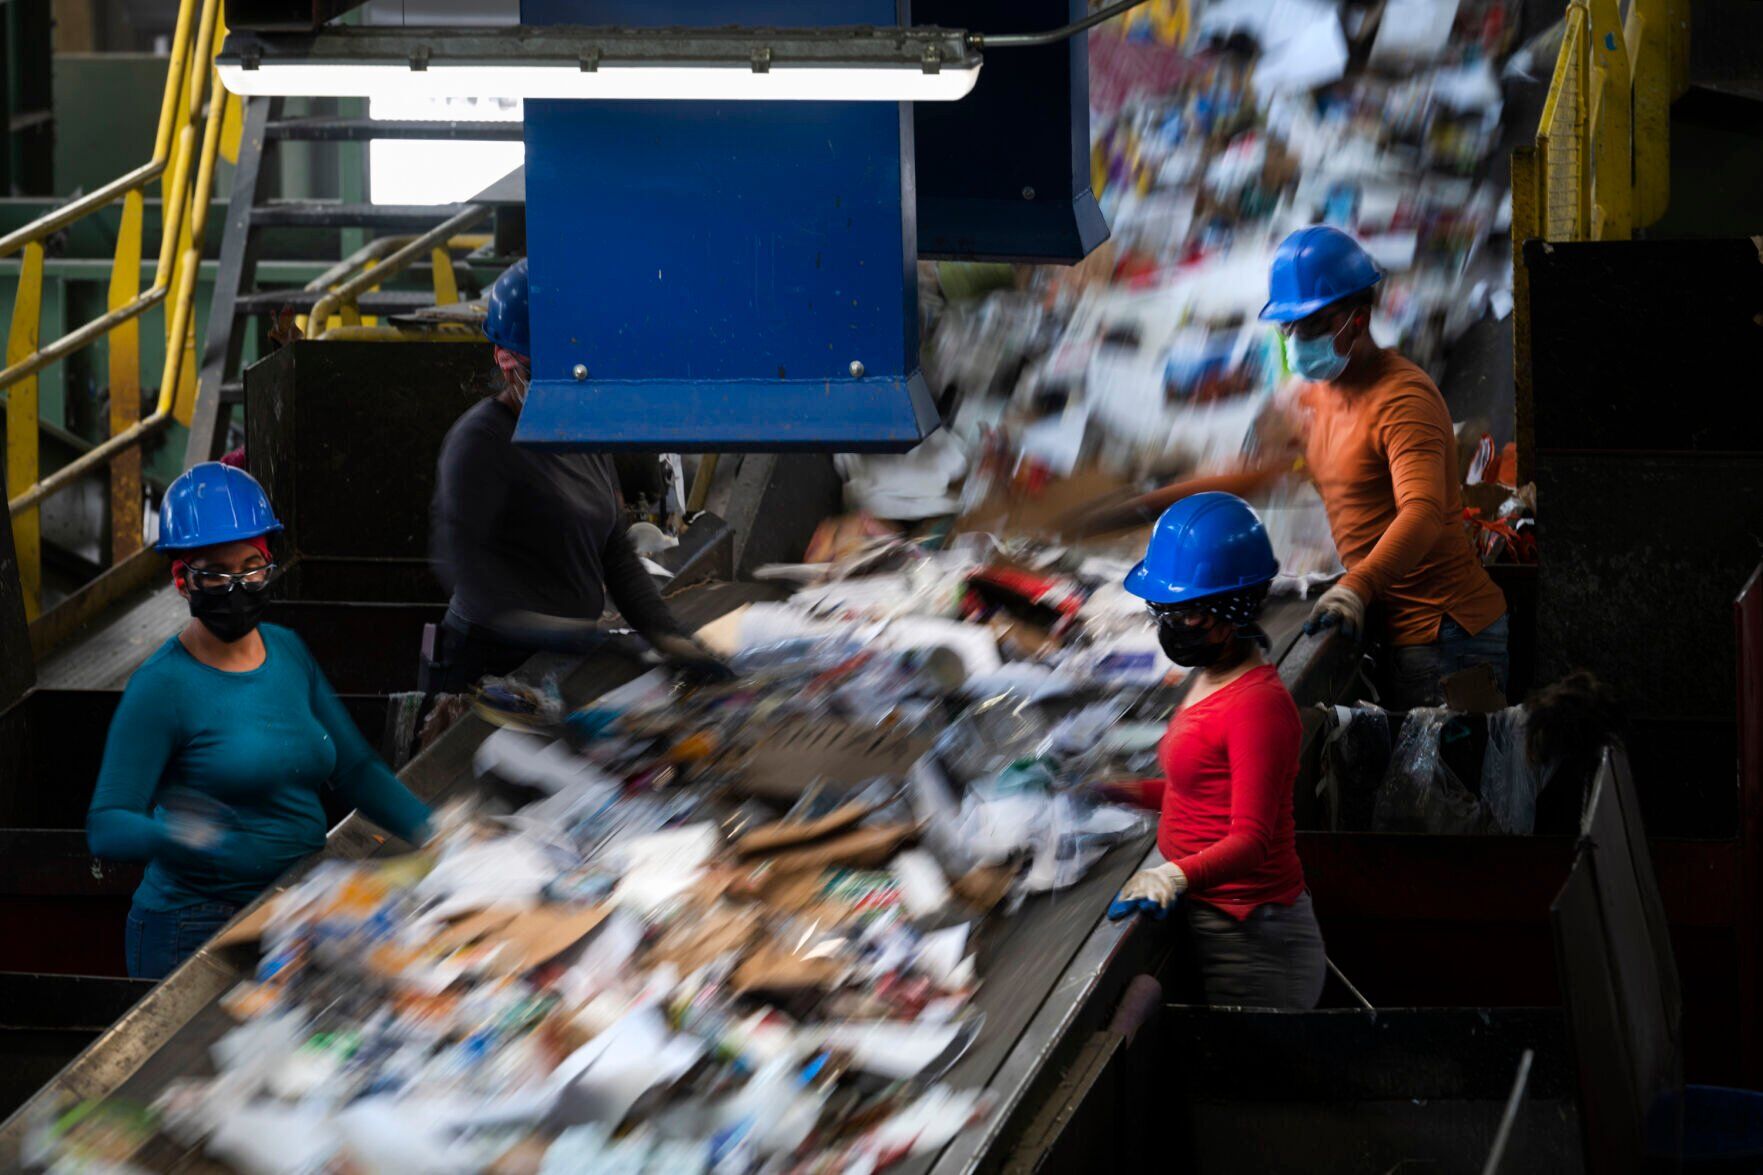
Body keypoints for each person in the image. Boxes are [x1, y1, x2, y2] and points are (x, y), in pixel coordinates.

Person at [1071, 226, 1509, 710]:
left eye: (1313, 326)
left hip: (1449, 632)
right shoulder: (1315, 400)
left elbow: (1422, 513)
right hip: (1400, 628)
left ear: (1359, 320)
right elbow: (1257, 476)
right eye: (1289, 327)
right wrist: (1145, 507)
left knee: (1453, 760)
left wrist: (1357, 586)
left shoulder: (1403, 400)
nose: (1298, 340)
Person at [88, 464, 432, 980]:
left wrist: (434, 831)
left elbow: (356, 769)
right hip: (194, 928)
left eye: (252, 568)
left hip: (293, 910)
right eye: (215, 574)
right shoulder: (161, 686)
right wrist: (179, 836)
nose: (238, 587)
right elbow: (107, 824)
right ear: (182, 580)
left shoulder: (288, 651)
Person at [425, 258, 727, 693]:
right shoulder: (479, 442)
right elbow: (467, 572)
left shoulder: (577, 432)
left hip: (560, 662)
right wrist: (571, 636)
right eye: (542, 372)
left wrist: (670, 638)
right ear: (504, 359)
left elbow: (615, 553)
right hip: (489, 669)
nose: (558, 386)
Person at [1110, 493, 1326, 1009]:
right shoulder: (1212, 674)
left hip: (1257, 941)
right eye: (1167, 613)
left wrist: (1173, 874)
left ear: (1234, 612)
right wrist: (1118, 792)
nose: (1173, 628)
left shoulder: (1257, 707)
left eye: (1189, 616)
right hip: (1217, 921)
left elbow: (1251, 842)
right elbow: (1200, 790)